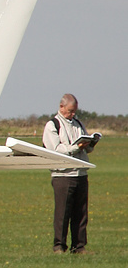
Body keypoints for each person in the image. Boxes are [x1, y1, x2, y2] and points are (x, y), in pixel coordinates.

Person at [42, 93, 100, 253]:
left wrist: (90, 143)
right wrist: (76, 147)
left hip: (80, 173)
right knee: (62, 213)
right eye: (70, 111)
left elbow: (86, 146)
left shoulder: (78, 123)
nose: (72, 114)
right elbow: (55, 149)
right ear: (61, 107)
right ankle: (59, 246)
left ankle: (79, 246)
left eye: (74, 111)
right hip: (63, 175)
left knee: (81, 213)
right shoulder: (52, 125)